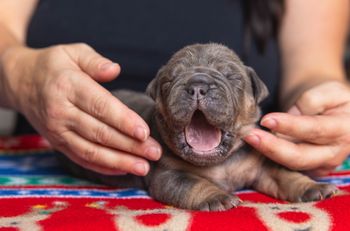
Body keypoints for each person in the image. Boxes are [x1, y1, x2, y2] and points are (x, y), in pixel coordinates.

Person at [0, 0, 348, 177]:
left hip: (242, 170)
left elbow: (313, 66)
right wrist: (22, 74)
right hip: (60, 161)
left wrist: (328, 104)